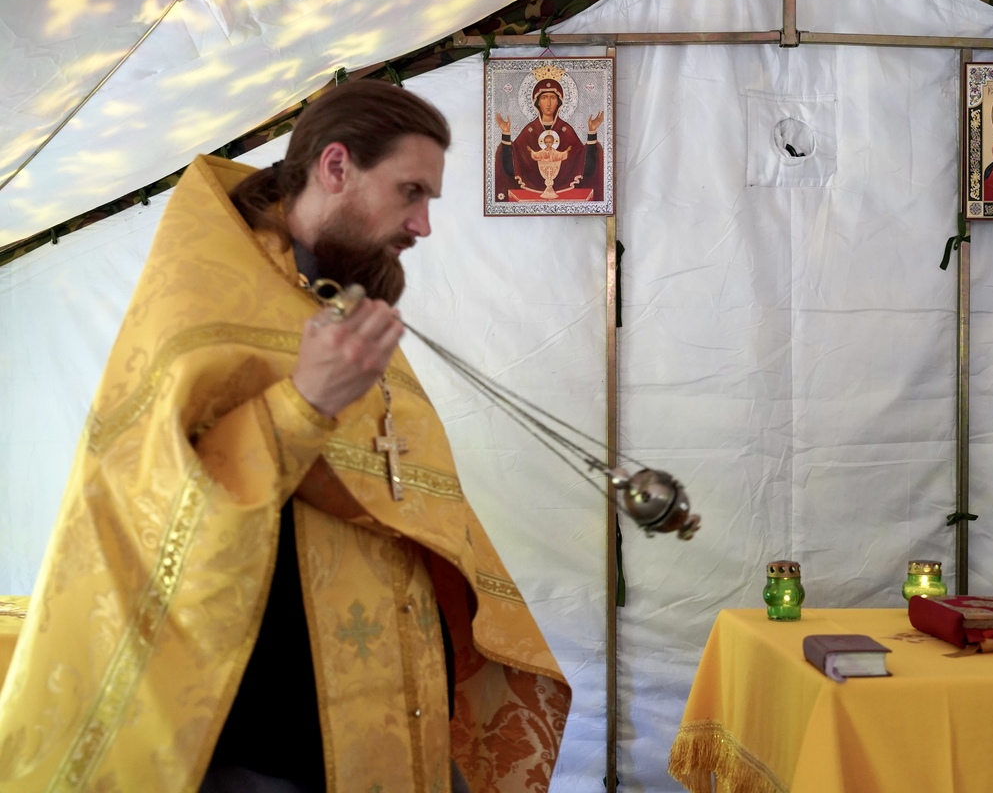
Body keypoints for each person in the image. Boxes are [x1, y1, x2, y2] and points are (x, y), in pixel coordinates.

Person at [0, 80, 570, 793]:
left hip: (395, 697)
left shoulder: (340, 299)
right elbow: (152, 500)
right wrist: (302, 405)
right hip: (262, 731)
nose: (423, 224)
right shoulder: (206, 293)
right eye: (411, 192)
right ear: (336, 167)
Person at [494, 68, 604, 201]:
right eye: (544, 97)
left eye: (553, 98)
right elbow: (511, 166)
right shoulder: (529, 130)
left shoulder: (566, 130)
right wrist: (506, 133)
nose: (548, 103)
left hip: (566, 191)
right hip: (530, 191)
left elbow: (586, 166)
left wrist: (592, 132)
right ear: (537, 102)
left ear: (559, 102)